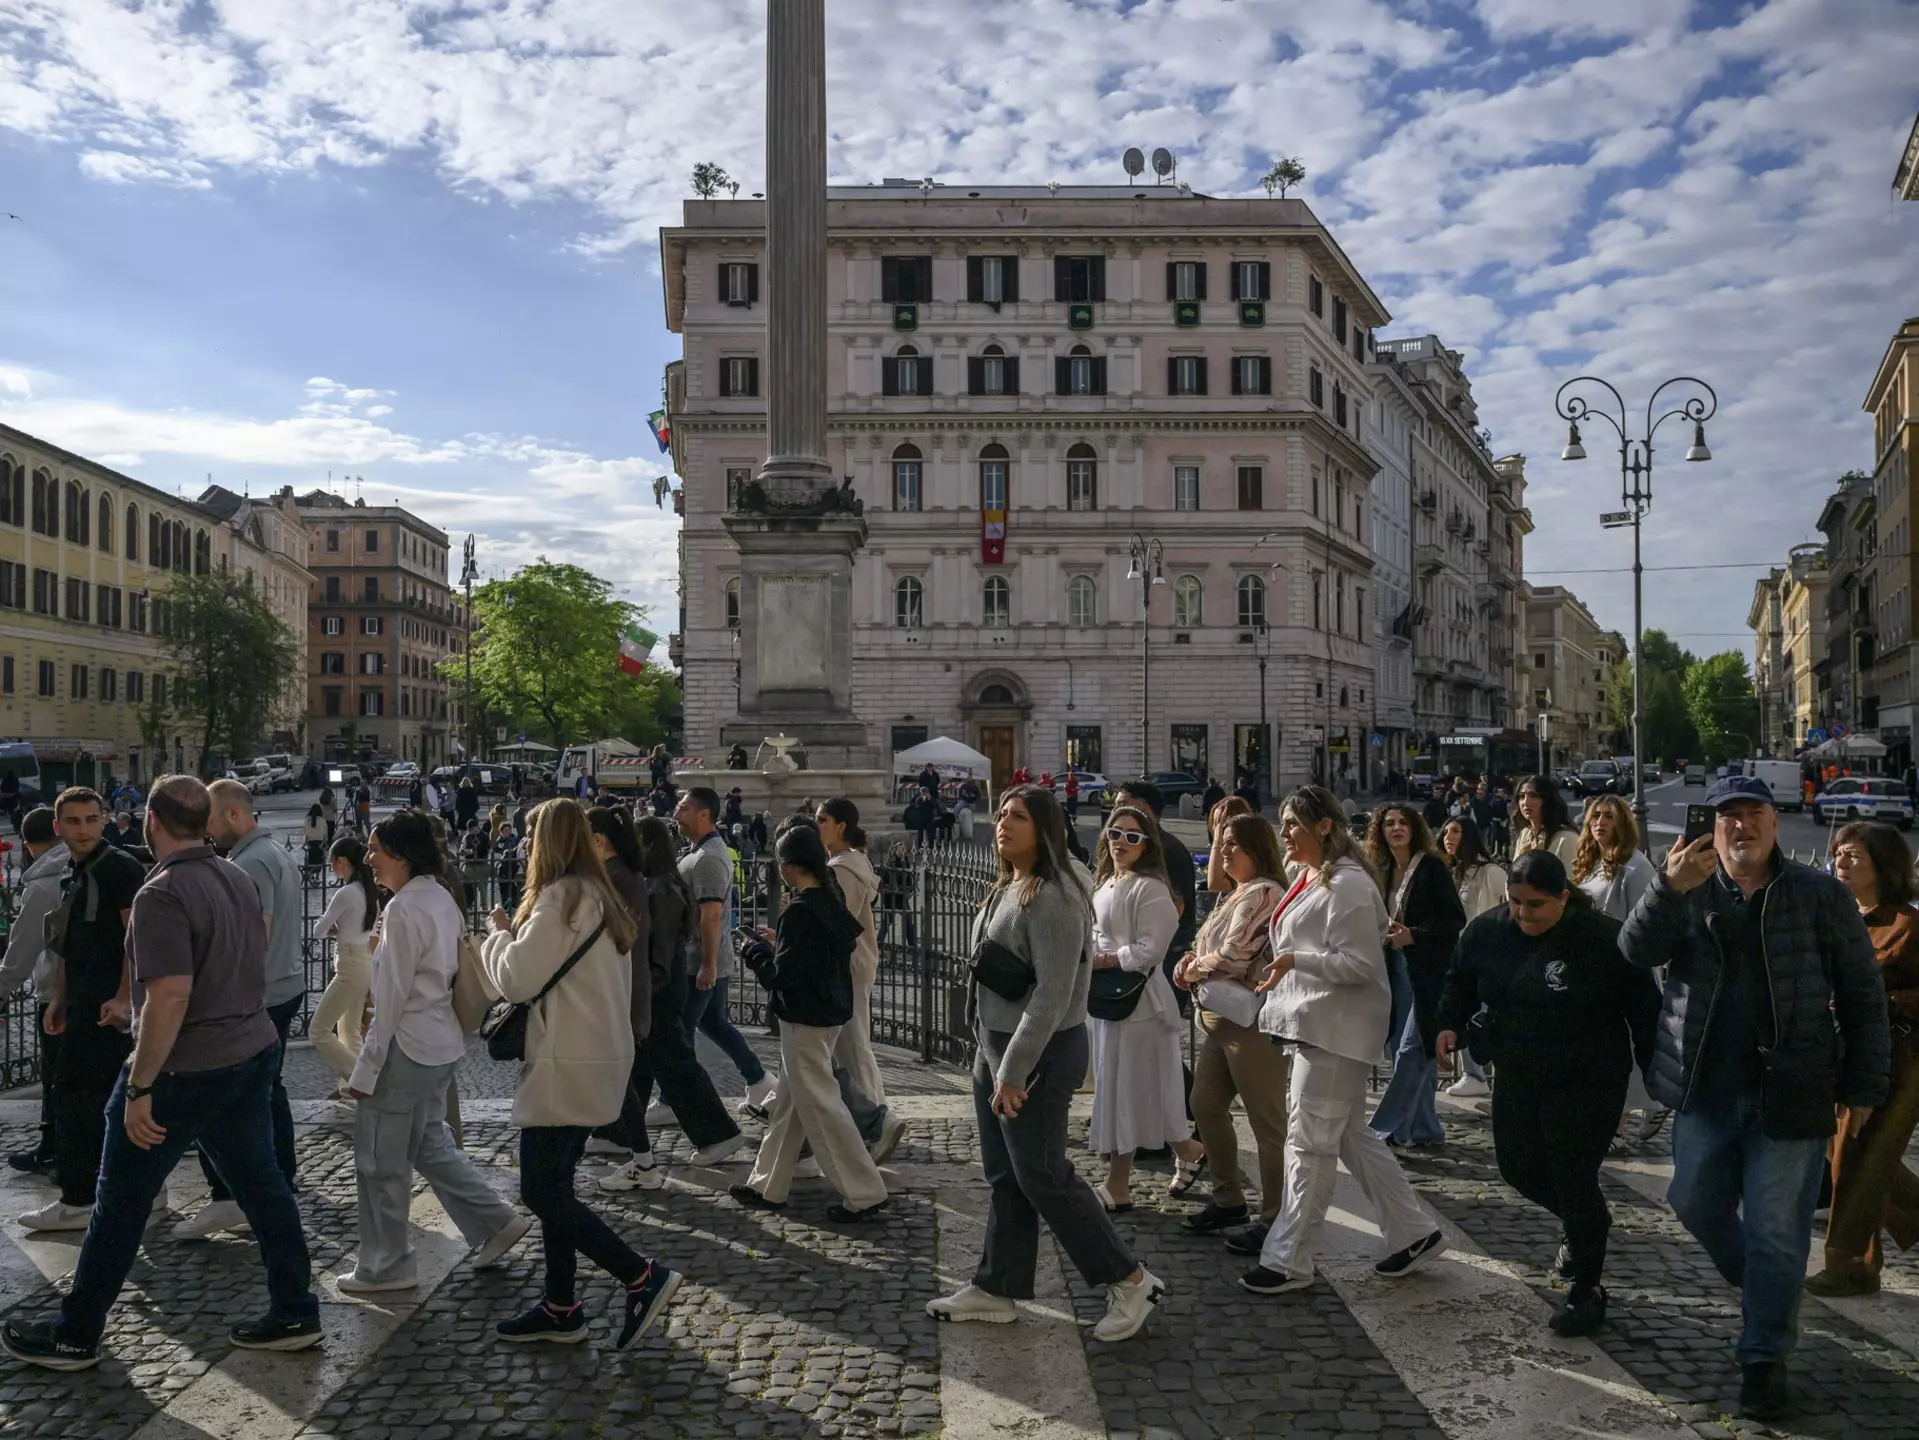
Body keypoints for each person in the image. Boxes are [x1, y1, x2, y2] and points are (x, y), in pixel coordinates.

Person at [0, 776, 322, 1369]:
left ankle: (75, 1333)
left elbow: (171, 996)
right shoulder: (235, 876)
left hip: (183, 1067)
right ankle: (297, 1308)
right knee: (264, 1187)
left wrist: (141, 1085)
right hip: (248, 1052)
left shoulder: (162, 892)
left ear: (149, 820)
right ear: (204, 820)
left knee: (119, 1200)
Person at [1619, 775, 1890, 1420]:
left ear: (1775, 822)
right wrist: (1666, 888)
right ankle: (1764, 1280)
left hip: (1791, 1092)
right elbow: (1634, 950)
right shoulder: (1684, 885)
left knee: (1777, 1229)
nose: (1742, 826)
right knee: (1691, 1200)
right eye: (1729, 816)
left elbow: (1861, 993)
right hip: (1703, 1086)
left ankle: (1764, 1355)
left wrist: (1865, 1085)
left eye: (1754, 815)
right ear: (1712, 826)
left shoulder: (1819, 893)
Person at [926, 785, 1165, 1342]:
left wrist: (1012, 1070)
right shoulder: (1009, 883)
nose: (1004, 824)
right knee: (1007, 1175)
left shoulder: (1052, 895)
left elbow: (1054, 994)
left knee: (1045, 1176)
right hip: (998, 1047)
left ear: (1046, 829)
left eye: (1020, 817)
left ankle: (1130, 1279)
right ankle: (997, 1285)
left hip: (1034, 1054)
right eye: (1003, 814)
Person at [481, 798, 681, 1347]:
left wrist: (496, 936)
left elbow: (517, 981)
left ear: (546, 843)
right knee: (557, 1188)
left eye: (530, 837)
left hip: (566, 1064)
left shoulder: (560, 898)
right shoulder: (602, 896)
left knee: (541, 1192)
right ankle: (561, 1304)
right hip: (597, 1058)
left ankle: (640, 1276)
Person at [1435, 850, 1660, 1337]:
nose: (1523, 914)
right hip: (1518, 1071)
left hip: (1589, 1078)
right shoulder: (1487, 931)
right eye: (1514, 902)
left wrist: (1655, 1075)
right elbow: (1460, 981)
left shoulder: (1603, 940)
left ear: (1563, 898)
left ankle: (1587, 1288)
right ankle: (1588, 1224)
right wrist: (1449, 1025)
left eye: (1535, 905)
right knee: (1517, 1167)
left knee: (1572, 1173)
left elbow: (1645, 1010)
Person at [1242, 784, 1446, 1296]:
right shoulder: (1309, 877)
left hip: (1335, 1030)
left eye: (1291, 823)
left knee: (1307, 1144)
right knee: (1352, 1137)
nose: (1282, 832)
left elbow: (1358, 965)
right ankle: (1414, 1232)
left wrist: (1294, 961)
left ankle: (1290, 1258)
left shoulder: (1349, 884)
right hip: (1315, 1025)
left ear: (1324, 827)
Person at [338, 811, 529, 1291]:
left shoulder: (404, 909)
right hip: (437, 1044)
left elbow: (394, 998)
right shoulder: (439, 896)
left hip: (407, 1047)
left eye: (375, 849)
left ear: (399, 855)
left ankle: (386, 1265)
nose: (368, 859)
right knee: (430, 1144)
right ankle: (495, 1222)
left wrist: (364, 1071)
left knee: (380, 1161)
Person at [731, 825, 891, 1220]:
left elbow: (781, 978)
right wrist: (775, 945)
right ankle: (767, 1184)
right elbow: (812, 956)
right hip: (828, 1011)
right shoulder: (828, 898)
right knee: (789, 1105)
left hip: (803, 1017)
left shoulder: (800, 909)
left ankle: (865, 1192)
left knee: (821, 1105)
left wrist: (754, 952)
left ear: (787, 866)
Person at [169, 779, 307, 1241]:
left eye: (208, 819)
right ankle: (277, 1181)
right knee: (270, 1091)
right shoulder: (276, 853)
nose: (204, 831)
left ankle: (236, 1196)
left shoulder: (250, 862)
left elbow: (255, 934)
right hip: (284, 985)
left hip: (259, 994)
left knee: (237, 1098)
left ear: (231, 814)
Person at [17, 789, 146, 1233]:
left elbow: (136, 940)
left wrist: (126, 997)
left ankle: (78, 1199)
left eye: (92, 819)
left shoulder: (118, 868)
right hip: (81, 1004)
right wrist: (58, 996)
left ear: (105, 819)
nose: (84, 829)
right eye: (73, 822)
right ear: (58, 827)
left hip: (107, 1009)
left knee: (78, 1099)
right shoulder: (75, 870)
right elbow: (71, 944)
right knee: (89, 1100)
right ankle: (121, 1192)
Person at [597, 817, 747, 1190]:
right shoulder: (663, 882)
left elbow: (659, 950)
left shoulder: (660, 888)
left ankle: (717, 1134)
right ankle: (616, 1132)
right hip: (661, 984)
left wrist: (647, 991)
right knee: (641, 1064)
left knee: (674, 1063)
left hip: (658, 987)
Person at [1807, 822, 1919, 1296]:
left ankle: (1850, 1265)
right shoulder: (1837, 916)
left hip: (1902, 1059)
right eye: (1838, 853)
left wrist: (1881, 1002)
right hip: (1841, 1053)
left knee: (1853, 1156)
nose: (1840, 862)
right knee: (1849, 1150)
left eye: (1853, 855)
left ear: (1883, 865)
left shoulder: (1908, 926)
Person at [1175, 814, 1289, 1245]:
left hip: (1250, 1025)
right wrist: (1192, 962)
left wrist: (1192, 970)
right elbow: (1210, 949)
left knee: (1267, 1122)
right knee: (1204, 1103)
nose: (1223, 853)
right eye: (1221, 844)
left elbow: (1234, 955)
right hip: (1221, 1022)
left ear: (1256, 850)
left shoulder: (1263, 891)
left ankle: (1275, 1217)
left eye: (1231, 846)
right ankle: (1228, 1200)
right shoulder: (1236, 893)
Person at [1086, 805, 1202, 1209]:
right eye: (1115, 833)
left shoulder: (1150, 888)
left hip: (1141, 1005)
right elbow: (1097, 935)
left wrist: (1105, 960)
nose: (1122, 842)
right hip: (1112, 1000)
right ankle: (1189, 1152)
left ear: (1147, 843)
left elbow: (1151, 949)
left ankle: (1119, 1185)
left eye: (1132, 836)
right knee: (1135, 1090)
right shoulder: (1106, 883)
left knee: (1130, 1092)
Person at [1365, 803, 1466, 1149]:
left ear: (1414, 828)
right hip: (1393, 969)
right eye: (1389, 823)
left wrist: (1415, 935)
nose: (1396, 828)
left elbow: (1454, 920)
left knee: (1412, 1049)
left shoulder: (1432, 868)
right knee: (1403, 1050)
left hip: (1428, 970)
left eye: (1403, 822)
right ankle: (1423, 1129)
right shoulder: (1380, 870)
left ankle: (1382, 1128)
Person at [673, 787, 773, 1129]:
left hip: (700, 960)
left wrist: (708, 964)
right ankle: (760, 1081)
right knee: (713, 1023)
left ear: (704, 814)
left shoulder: (710, 857)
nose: (676, 814)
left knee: (680, 1033)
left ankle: (673, 1099)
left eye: (683, 808)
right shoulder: (698, 851)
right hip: (706, 958)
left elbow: (711, 915)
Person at [815, 799, 904, 1159]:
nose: (816, 823)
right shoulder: (853, 862)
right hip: (857, 965)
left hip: (848, 967)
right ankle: (876, 1116)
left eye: (822, 819)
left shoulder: (842, 870)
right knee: (851, 1047)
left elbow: (838, 924)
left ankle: (878, 1123)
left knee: (852, 1048)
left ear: (840, 826)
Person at [0, 808, 68, 1175]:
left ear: (28, 845)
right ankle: (55, 1145)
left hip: (55, 995)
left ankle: (53, 1148)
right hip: (98, 991)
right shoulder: (85, 866)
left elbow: (22, 949)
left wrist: (3, 989)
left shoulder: (42, 886)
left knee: (55, 1077)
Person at [1571, 795, 1655, 922]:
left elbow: (1644, 925)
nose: (1600, 822)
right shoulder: (1590, 859)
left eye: (1609, 816)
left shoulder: (1636, 868)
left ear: (1623, 824)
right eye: (1596, 815)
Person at [1513, 774, 1579, 867]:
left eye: (1534, 795)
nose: (1526, 802)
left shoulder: (1567, 838)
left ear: (1547, 800)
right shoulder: (1524, 834)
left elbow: (1572, 879)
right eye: (1522, 796)